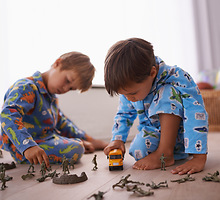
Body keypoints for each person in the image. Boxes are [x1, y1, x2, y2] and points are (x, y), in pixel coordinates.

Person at [104, 38, 208, 175]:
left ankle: (165, 152)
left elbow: (196, 112)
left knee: (167, 93)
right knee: (138, 150)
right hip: (155, 134)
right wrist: (117, 139)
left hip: (183, 137)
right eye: (124, 95)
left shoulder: (177, 78)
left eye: (133, 93)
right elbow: (124, 114)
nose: (129, 99)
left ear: (152, 73)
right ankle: (168, 155)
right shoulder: (130, 89)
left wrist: (199, 157)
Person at [0, 51, 107, 168]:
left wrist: (89, 139)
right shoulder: (26, 87)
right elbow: (7, 115)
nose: (65, 88)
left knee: (78, 143)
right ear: (57, 63)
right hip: (24, 147)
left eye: (71, 88)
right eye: (67, 80)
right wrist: (28, 146)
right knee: (77, 148)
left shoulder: (52, 98)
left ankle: (83, 142)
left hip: (46, 139)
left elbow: (63, 123)